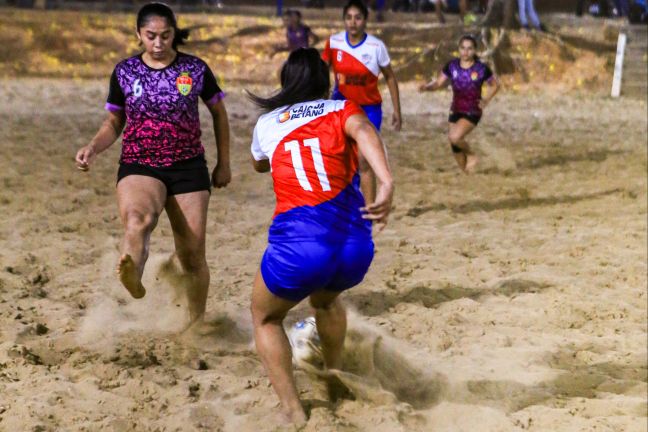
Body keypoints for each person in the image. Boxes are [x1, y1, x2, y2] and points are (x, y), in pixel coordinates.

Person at [248, 48, 393, 425]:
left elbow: (259, 163)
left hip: (300, 247)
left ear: (286, 82)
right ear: (325, 81)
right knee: (326, 302)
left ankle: (293, 410)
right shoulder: (342, 109)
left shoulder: (268, 122)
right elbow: (364, 131)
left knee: (264, 317)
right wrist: (387, 182)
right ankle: (333, 376)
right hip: (355, 248)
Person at [74, 2, 231, 326]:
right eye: (151, 36)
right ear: (138, 35)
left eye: (165, 36)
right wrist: (92, 147)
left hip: (188, 166)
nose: (158, 44)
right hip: (139, 163)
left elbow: (218, 112)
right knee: (138, 219)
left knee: (191, 254)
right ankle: (133, 273)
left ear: (174, 33)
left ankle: (196, 322)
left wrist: (223, 163)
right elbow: (114, 122)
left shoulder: (195, 69)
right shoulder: (125, 71)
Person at [321, 0, 401, 205]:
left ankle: (369, 212)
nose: (353, 22)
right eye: (348, 18)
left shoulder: (376, 46)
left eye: (357, 17)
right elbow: (320, 73)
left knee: (365, 160)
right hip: (340, 108)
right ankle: (343, 203)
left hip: (369, 110)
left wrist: (397, 111)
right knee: (339, 158)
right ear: (344, 20)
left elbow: (390, 77)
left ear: (365, 20)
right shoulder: (334, 43)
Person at [419, 34, 499, 173]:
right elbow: (438, 83)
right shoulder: (452, 65)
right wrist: (427, 87)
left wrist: (485, 100)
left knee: (454, 137)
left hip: (472, 110)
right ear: (458, 49)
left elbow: (495, 85)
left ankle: (471, 155)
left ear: (474, 50)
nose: (465, 52)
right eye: (463, 48)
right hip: (455, 109)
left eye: (469, 49)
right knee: (454, 144)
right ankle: (466, 172)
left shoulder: (481, 68)